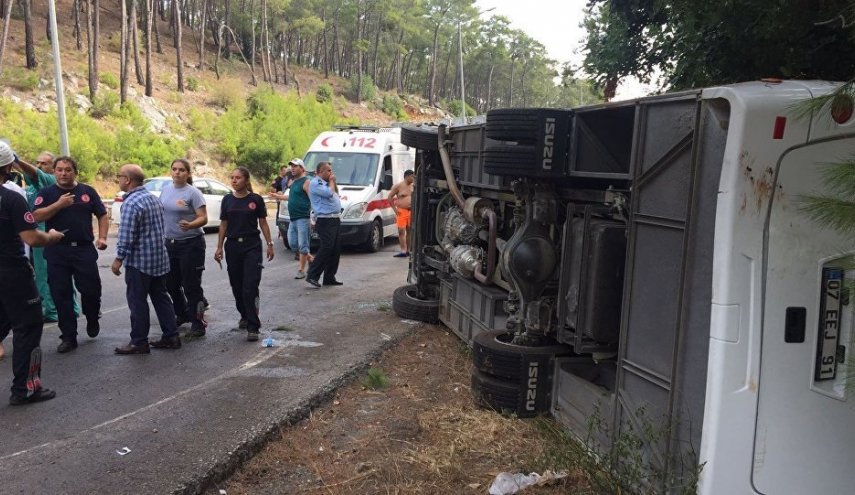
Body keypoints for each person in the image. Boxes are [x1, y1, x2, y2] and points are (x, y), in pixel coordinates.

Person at [0, 141, 64, 405]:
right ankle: (25, 388)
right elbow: (31, 238)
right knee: (28, 326)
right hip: (12, 273)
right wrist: (51, 236)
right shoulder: (11, 198)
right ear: (8, 166)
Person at [33, 156, 109, 353]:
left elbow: (101, 214)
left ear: (75, 172)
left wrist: (102, 237)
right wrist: (58, 205)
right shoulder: (47, 193)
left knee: (91, 289)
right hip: (57, 250)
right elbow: (36, 215)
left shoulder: (87, 191)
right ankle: (68, 336)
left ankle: (92, 317)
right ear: (54, 172)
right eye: (59, 170)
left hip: (83, 249)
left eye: (67, 170)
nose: (63, 173)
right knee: (61, 294)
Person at [112, 164, 180, 354]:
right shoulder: (152, 199)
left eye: (119, 176)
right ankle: (171, 335)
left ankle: (139, 341)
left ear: (127, 180)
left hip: (140, 262)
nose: (118, 180)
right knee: (161, 297)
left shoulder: (132, 203)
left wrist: (118, 258)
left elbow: (126, 235)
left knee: (137, 301)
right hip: (158, 259)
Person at [15, 152, 81, 321]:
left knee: (48, 275)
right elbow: (26, 174)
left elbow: (34, 173)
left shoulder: (50, 181)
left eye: (44, 163)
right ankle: (62, 308)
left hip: (47, 234)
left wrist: (16, 159)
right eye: (37, 162)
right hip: (34, 235)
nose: (39, 166)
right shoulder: (31, 188)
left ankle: (53, 311)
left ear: (52, 168)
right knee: (43, 275)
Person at [214, 167, 275, 342]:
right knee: (237, 285)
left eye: (238, 178)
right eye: (232, 177)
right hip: (232, 246)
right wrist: (219, 247)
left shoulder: (255, 200)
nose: (234, 181)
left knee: (250, 285)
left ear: (246, 180)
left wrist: (269, 244)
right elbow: (223, 224)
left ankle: (253, 326)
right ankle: (245, 314)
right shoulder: (227, 200)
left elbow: (263, 223)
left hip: (252, 246)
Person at [161, 159, 208, 338]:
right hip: (170, 243)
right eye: (174, 169)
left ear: (188, 173)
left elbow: (203, 218)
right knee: (170, 283)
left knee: (191, 285)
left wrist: (190, 224)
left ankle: (198, 322)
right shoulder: (166, 190)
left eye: (181, 170)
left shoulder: (193, 193)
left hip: (191, 244)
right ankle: (181, 314)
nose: (177, 173)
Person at [306, 161, 343, 288]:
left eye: (331, 170)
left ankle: (329, 277)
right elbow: (328, 193)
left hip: (335, 219)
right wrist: (332, 182)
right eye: (328, 171)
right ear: (320, 171)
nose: (331, 173)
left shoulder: (328, 183)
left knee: (335, 249)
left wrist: (333, 181)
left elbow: (335, 192)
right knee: (326, 247)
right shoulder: (315, 183)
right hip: (325, 219)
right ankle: (312, 275)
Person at [284, 158, 313, 278]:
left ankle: (301, 270)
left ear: (302, 168)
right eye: (292, 166)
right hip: (293, 218)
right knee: (293, 244)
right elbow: (292, 198)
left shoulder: (306, 182)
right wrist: (278, 196)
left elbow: (313, 200)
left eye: (295, 166)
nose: (292, 168)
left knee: (302, 244)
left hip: (303, 218)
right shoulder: (293, 182)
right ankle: (310, 258)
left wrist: (313, 217)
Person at [389, 169, 415, 258]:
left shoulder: (413, 186)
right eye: (412, 176)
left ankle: (409, 250)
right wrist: (395, 210)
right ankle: (403, 250)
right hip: (401, 211)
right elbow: (390, 197)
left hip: (411, 211)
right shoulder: (398, 186)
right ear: (407, 177)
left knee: (410, 230)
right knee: (401, 230)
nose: (413, 178)